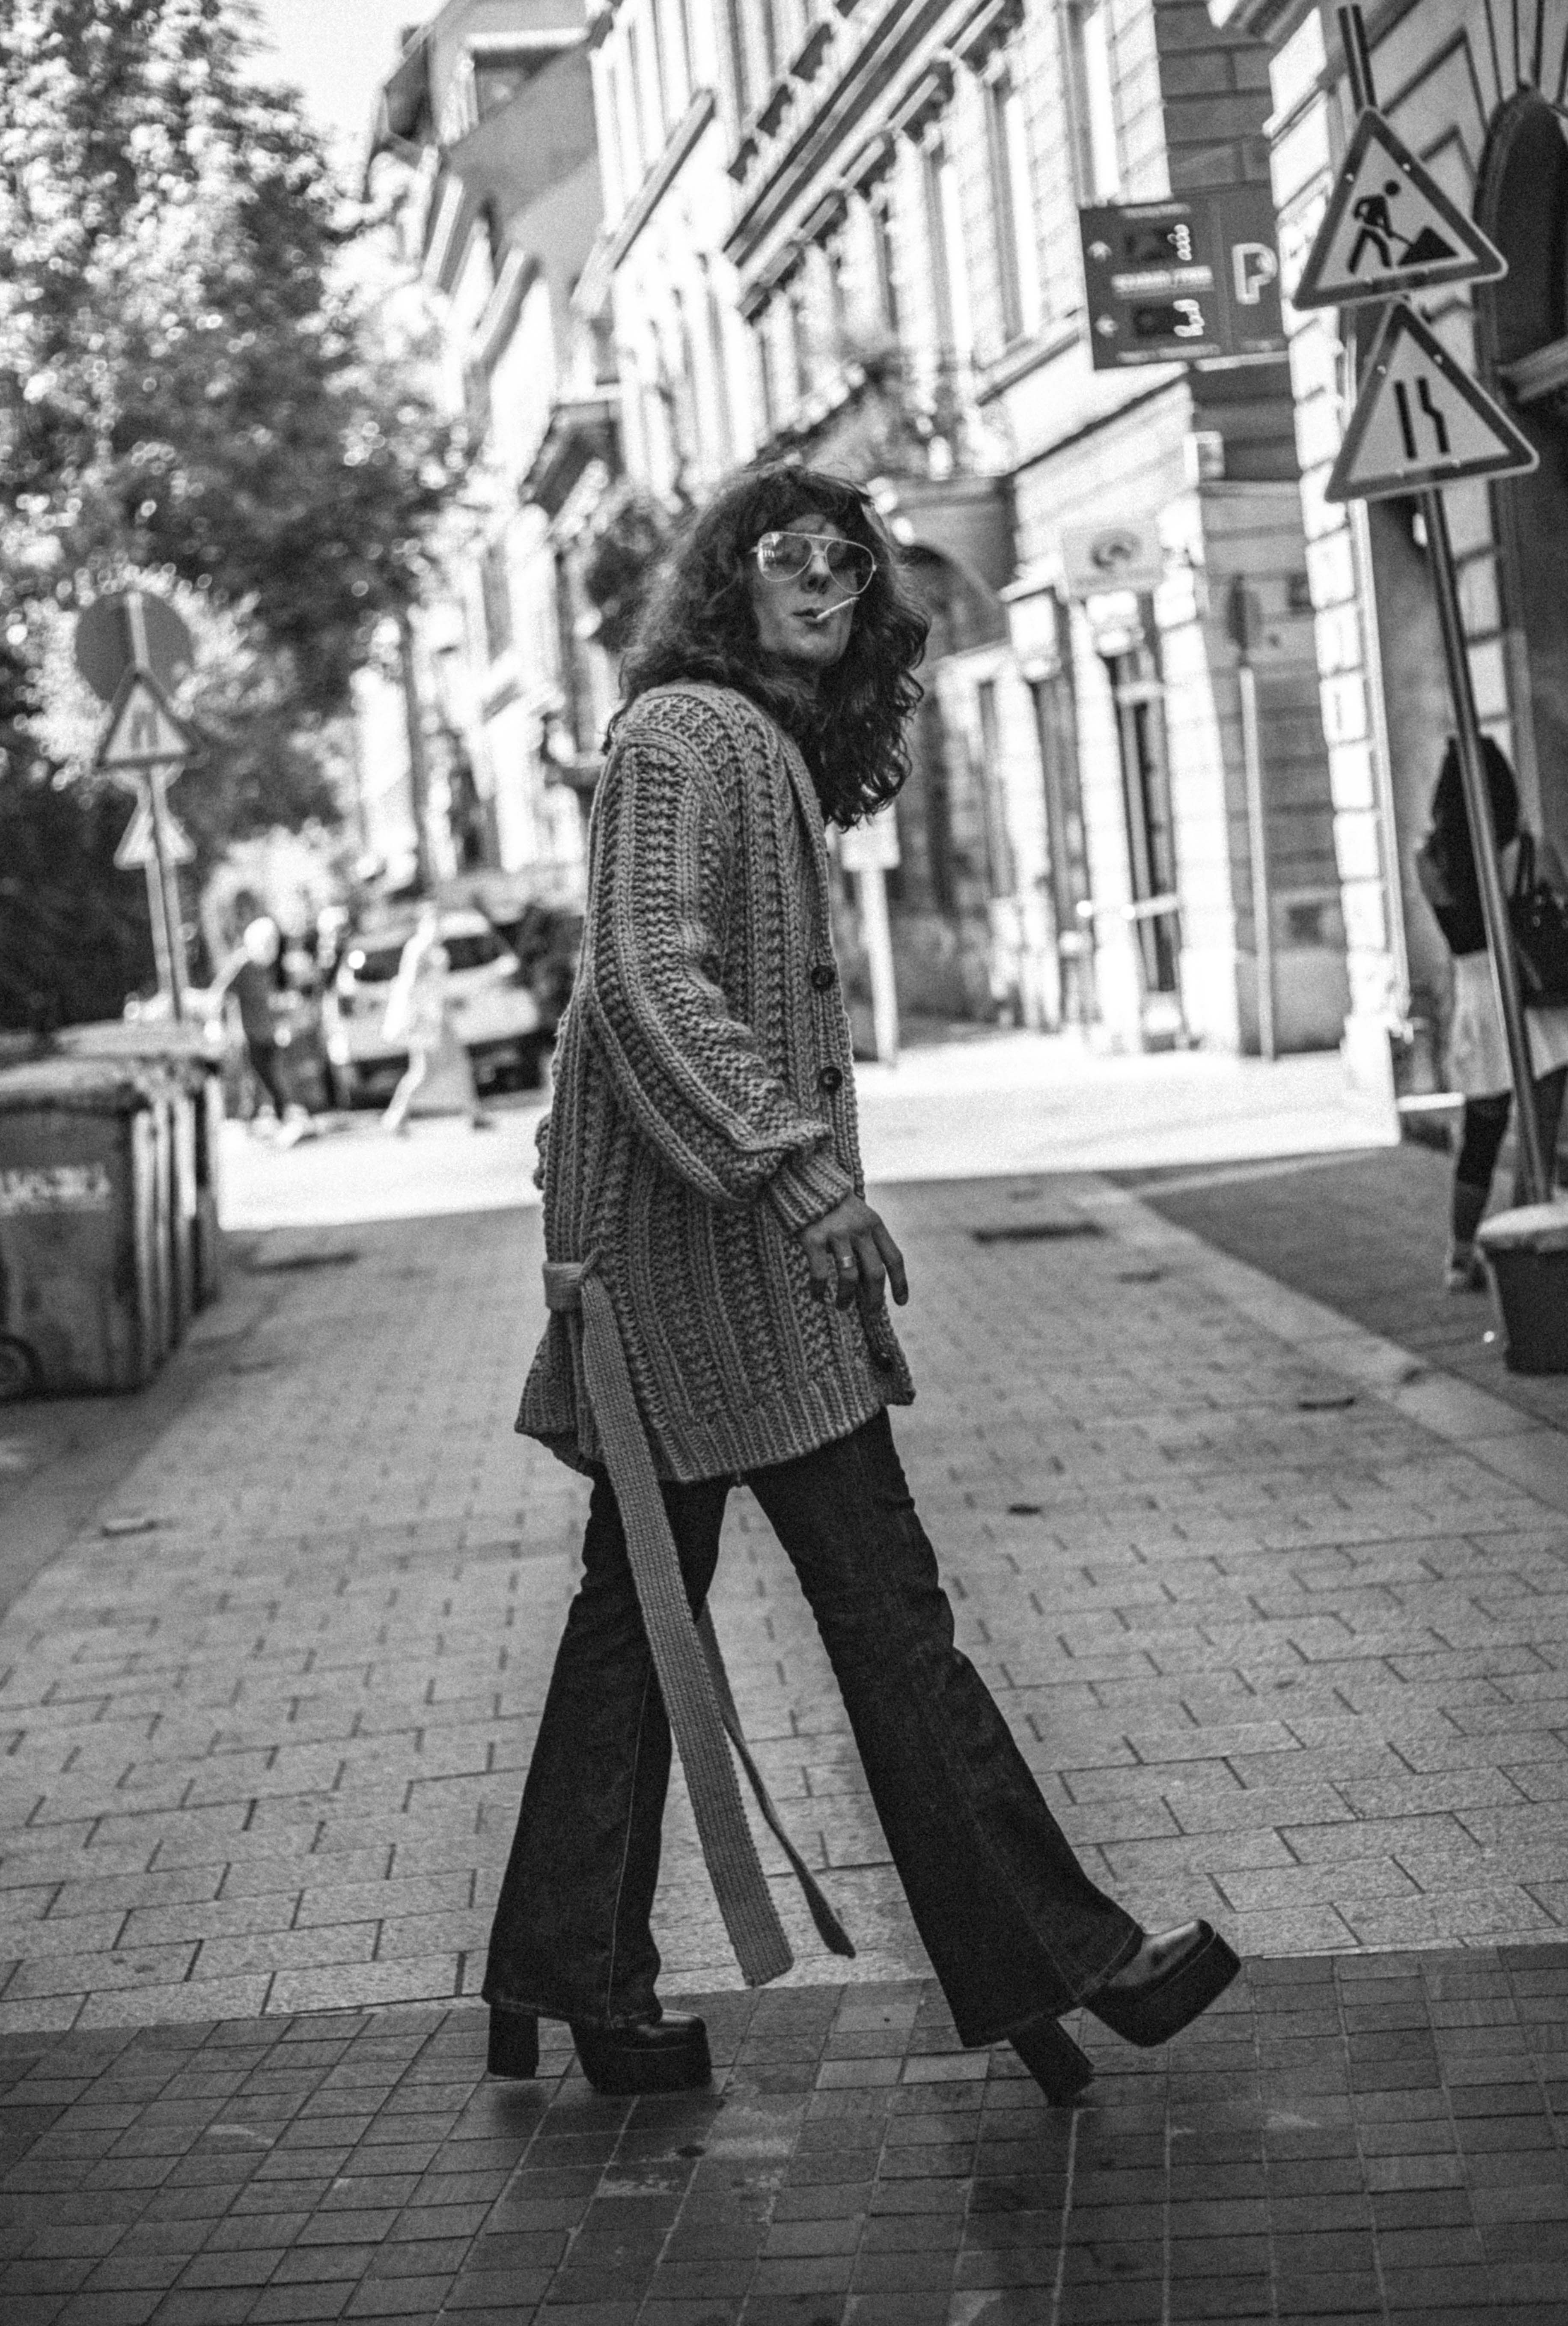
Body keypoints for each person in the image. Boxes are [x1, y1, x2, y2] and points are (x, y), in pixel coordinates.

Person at [480, 465, 1237, 2105]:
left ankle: (568, 1967)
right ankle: (1056, 1955)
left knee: (646, 1624)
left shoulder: (750, 743)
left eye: (850, 559)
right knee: (880, 1617)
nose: (825, 579)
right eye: (789, 554)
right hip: (707, 1276)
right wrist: (795, 1164)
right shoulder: (683, 735)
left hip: (704, 1271)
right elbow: (641, 975)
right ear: (729, 579)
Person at [1417, 735, 1568, 1290]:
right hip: (1533, 1003)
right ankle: (1525, 1259)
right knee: (1537, 1141)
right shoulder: (1528, 851)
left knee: (1481, 1135)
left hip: (1477, 1001)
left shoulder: (1431, 862)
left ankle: (1460, 1257)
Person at [381, 905, 493, 1135]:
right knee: (425, 1071)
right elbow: (412, 987)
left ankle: (474, 1113)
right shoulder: (419, 949)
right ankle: (396, 1116)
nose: (438, 929)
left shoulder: (436, 951)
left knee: (457, 1064)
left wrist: (448, 1003)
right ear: (424, 925)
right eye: (434, 923)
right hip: (427, 1021)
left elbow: (436, 989)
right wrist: (420, 1016)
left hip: (438, 1018)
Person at [213, 915, 312, 1143]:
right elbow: (220, 995)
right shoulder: (242, 965)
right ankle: (270, 1118)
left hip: (270, 1033)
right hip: (249, 1035)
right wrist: (221, 1026)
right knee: (262, 1078)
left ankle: (271, 1119)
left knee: (270, 1078)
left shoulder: (268, 968)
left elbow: (271, 1000)